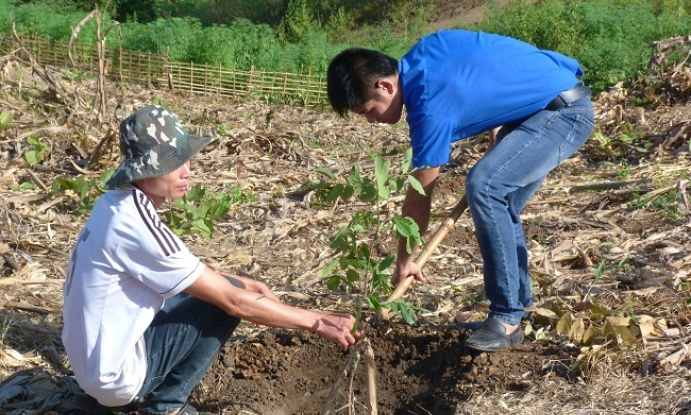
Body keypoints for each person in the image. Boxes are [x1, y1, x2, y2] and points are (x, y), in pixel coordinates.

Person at [62, 104, 364, 415]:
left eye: (185, 158)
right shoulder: (136, 225)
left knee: (221, 287)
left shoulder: (113, 204)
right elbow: (234, 302)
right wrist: (318, 322)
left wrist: (246, 282)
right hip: (115, 377)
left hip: (91, 361)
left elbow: (186, 271)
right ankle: (166, 406)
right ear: (145, 170)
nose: (186, 170)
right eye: (172, 162)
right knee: (222, 301)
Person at [326, 29, 594, 352]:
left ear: (385, 86)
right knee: (501, 197)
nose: (371, 121)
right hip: (538, 106)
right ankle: (519, 311)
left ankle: (506, 315)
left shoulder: (427, 106)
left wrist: (404, 259)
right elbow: (487, 63)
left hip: (562, 113)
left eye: (368, 110)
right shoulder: (427, 50)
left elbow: (419, 197)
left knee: (486, 185)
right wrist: (498, 116)